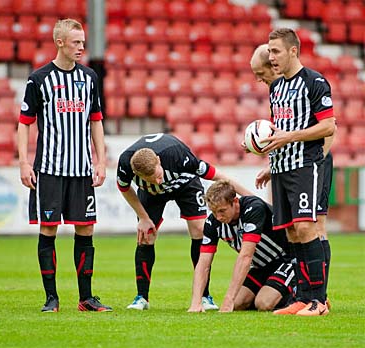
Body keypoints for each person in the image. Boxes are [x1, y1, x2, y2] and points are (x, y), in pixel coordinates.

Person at [17, 18, 112, 313]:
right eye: (76, 42)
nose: (82, 47)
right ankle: (51, 298)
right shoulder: (39, 79)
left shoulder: (89, 78)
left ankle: (86, 298)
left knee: (86, 230)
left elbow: (96, 121)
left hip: (81, 170)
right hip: (49, 169)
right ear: (60, 43)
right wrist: (23, 162)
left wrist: (101, 160)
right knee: (48, 230)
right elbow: (24, 123)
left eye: (83, 42)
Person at [116, 133, 252, 310]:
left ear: (158, 160)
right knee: (145, 235)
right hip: (151, 194)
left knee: (199, 230)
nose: (159, 181)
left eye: (158, 175)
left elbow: (220, 176)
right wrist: (143, 218)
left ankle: (205, 296)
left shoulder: (179, 156)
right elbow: (124, 189)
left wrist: (252, 198)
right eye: (152, 180)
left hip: (185, 185)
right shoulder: (126, 164)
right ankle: (142, 298)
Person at [254, 28, 336, 316]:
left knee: (306, 227)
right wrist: (268, 159)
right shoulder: (276, 88)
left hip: (305, 164)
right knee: (290, 232)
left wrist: (290, 138)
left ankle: (319, 300)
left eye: (275, 51)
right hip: (281, 167)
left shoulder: (314, 82)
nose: (270, 56)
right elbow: (279, 130)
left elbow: (329, 127)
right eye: (269, 50)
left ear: (292, 51)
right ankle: (302, 297)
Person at [188, 180, 294, 313]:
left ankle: (303, 295)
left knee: (263, 303)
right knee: (238, 303)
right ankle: (273, 289)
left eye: (222, 211)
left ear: (235, 202)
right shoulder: (213, 222)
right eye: (214, 212)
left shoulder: (253, 209)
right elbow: (203, 263)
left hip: (288, 260)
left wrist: (228, 298)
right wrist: (196, 302)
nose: (219, 217)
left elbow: (246, 256)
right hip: (261, 266)